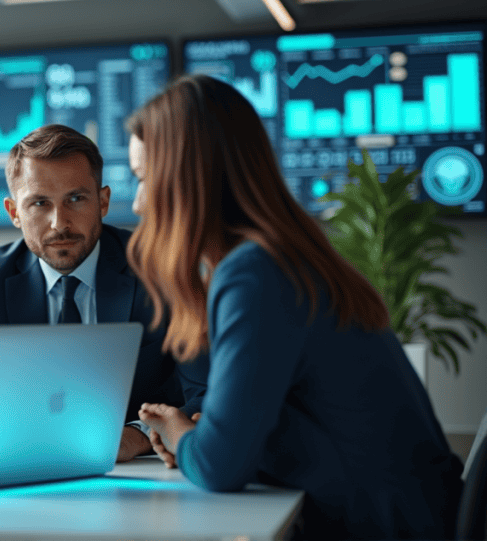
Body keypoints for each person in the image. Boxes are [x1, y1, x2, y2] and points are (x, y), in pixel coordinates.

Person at [129, 74, 464, 540]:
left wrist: (178, 433)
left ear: (186, 180)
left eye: (144, 179)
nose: (138, 203)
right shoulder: (283, 257)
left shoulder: (253, 273)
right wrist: (199, 435)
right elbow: (257, 432)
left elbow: (219, 467)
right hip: (408, 512)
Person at [0, 124, 207, 462]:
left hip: (141, 479)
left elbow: (206, 395)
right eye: (39, 203)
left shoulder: (160, 270)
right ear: (14, 212)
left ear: (103, 201)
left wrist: (136, 435)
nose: (59, 223)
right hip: (25, 476)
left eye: (76, 199)